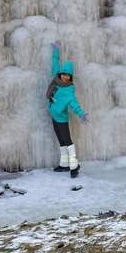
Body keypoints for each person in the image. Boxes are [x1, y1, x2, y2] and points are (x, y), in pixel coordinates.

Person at [46, 41, 87, 178]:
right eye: (64, 73)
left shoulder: (69, 89)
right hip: (54, 116)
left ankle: (74, 166)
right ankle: (64, 164)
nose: (65, 76)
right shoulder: (56, 78)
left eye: (68, 75)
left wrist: (81, 114)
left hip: (61, 118)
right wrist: (56, 51)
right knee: (61, 140)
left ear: (70, 77)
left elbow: (74, 104)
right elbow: (55, 63)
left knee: (67, 141)